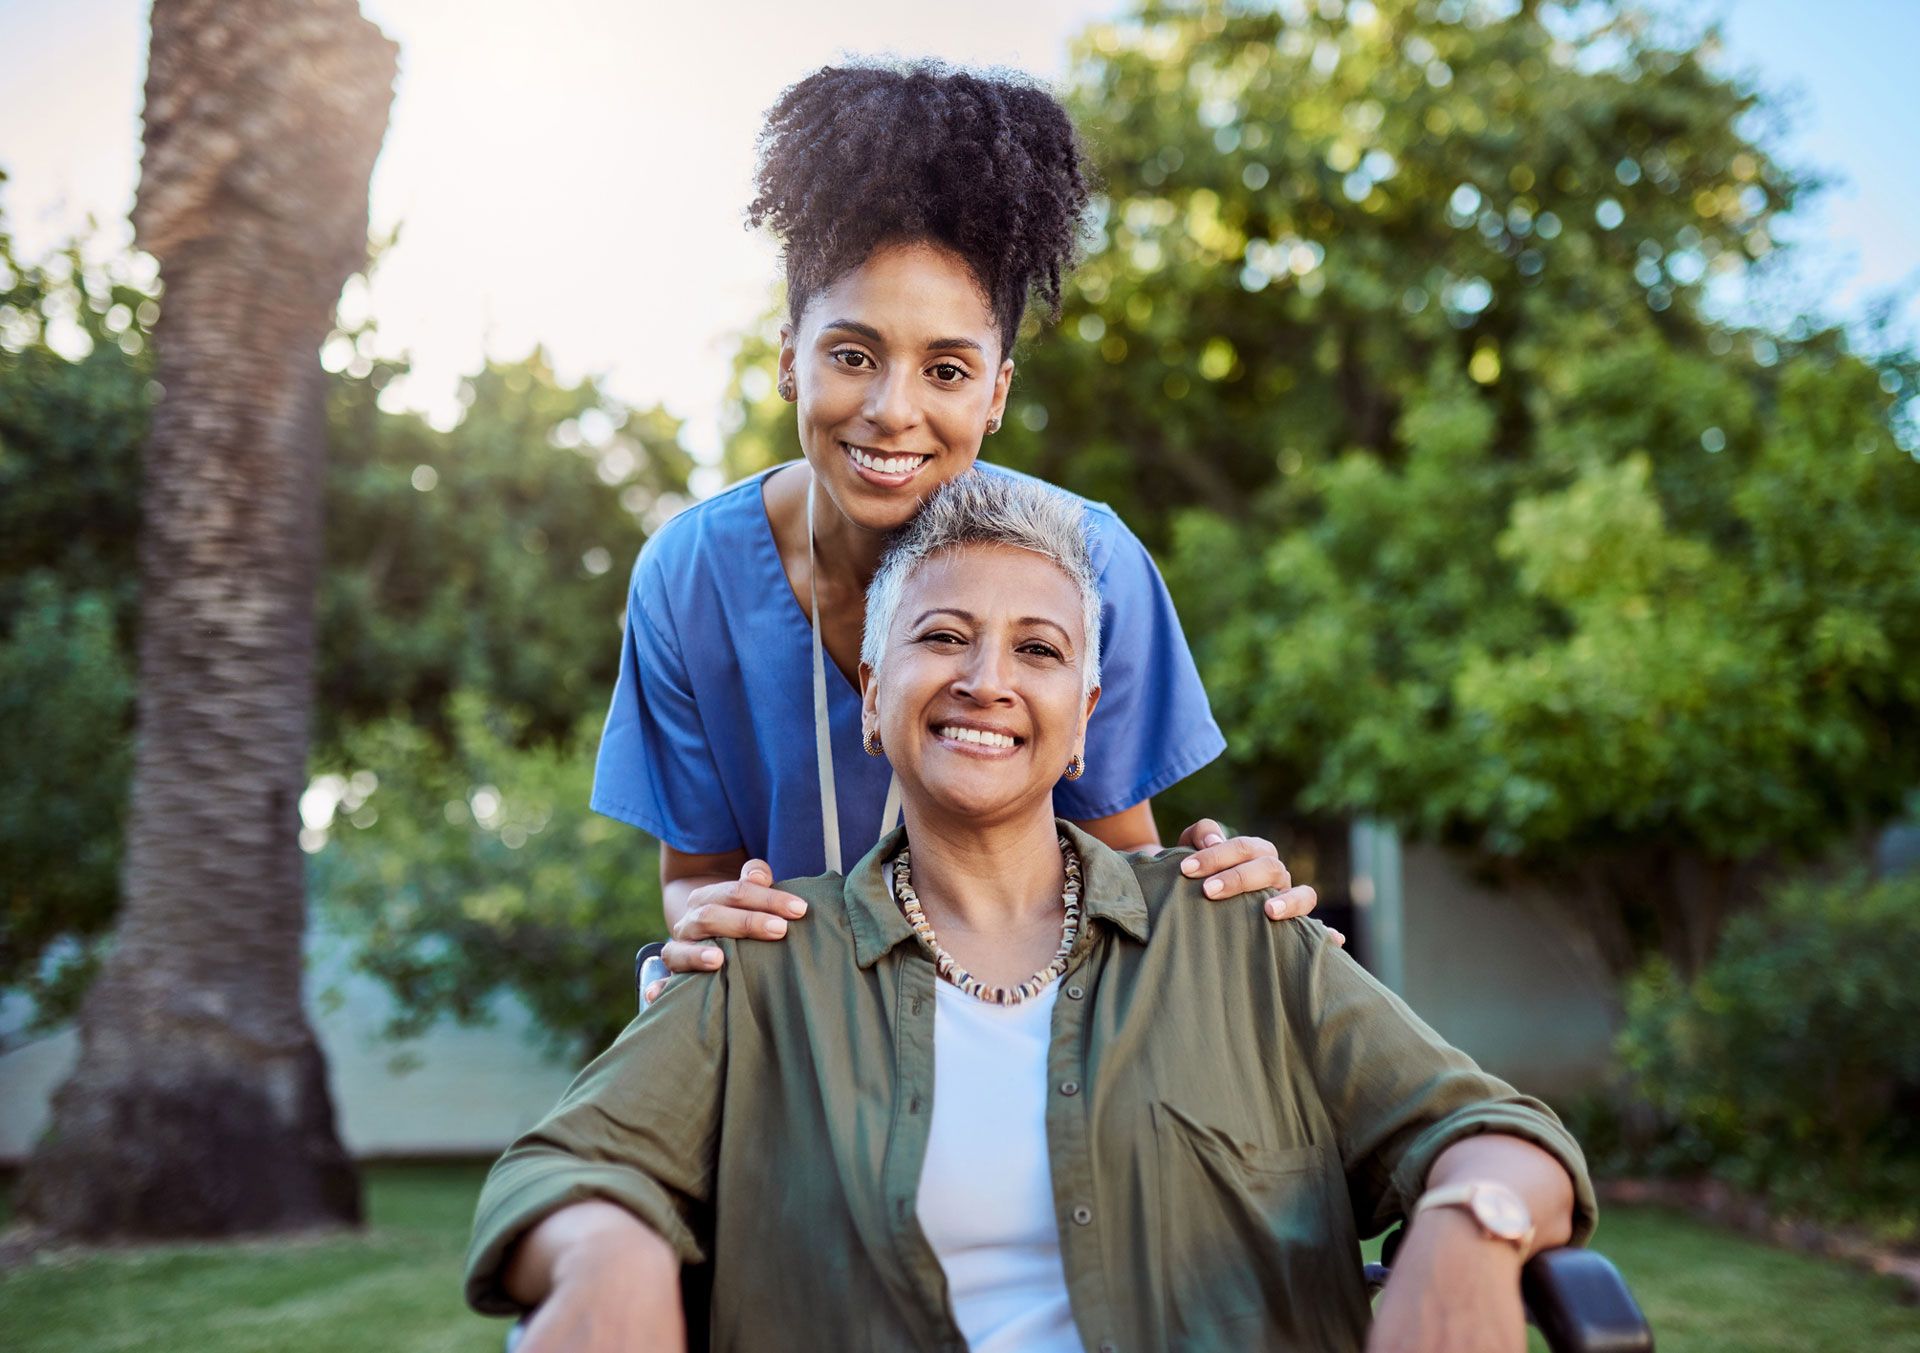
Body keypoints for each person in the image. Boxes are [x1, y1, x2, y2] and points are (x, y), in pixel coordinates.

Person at [467, 474, 1595, 1352]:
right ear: (873, 699)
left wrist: (1468, 1230)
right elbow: (560, 1168)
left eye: (1039, 649)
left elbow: (1492, 1132)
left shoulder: (1233, 929)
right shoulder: (767, 964)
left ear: (1086, 717)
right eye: (943, 637)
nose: (986, 680)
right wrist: (607, 1252)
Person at [588, 62, 1332, 989]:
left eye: (946, 369)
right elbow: (694, 876)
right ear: (789, 359)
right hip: (803, 1045)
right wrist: (707, 921)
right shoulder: (689, 576)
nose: (893, 410)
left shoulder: (1086, 564)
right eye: (852, 355)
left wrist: (1229, 896)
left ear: (997, 393)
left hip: (1030, 1030)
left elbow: (1125, 874)